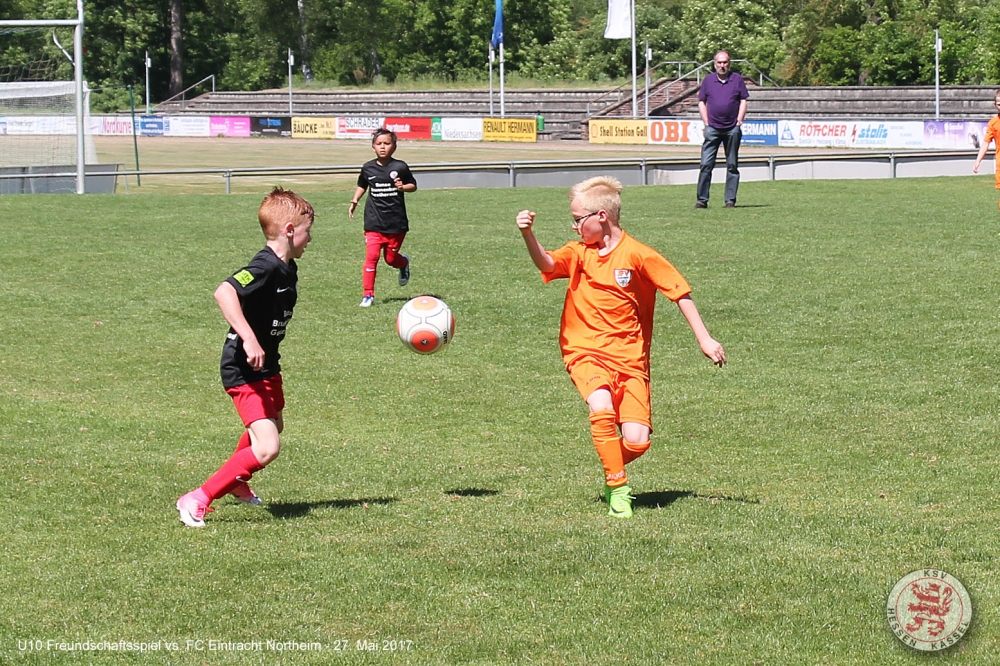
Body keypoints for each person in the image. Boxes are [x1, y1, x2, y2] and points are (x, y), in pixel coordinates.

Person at [516, 176, 726, 519]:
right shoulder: (578, 253)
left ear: (601, 216)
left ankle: (611, 461)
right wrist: (528, 234)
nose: (574, 226)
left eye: (577, 219)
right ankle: (618, 488)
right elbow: (547, 264)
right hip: (584, 350)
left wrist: (705, 338)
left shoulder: (639, 254)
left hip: (630, 361)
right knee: (600, 406)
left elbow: (680, 292)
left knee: (637, 441)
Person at [176, 187, 315, 528]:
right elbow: (224, 291)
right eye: (308, 231)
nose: (311, 238)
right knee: (267, 447)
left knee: (274, 425)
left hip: (267, 366)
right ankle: (197, 498)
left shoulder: (288, 267)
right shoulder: (265, 265)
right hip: (244, 368)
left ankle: (236, 481)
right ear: (289, 230)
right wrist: (250, 338)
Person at [349, 128, 417, 307]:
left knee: (391, 259)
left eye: (387, 143)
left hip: (396, 223)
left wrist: (403, 187)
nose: (382, 147)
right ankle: (368, 295)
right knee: (371, 257)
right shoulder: (368, 168)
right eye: (379, 144)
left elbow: (413, 185)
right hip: (373, 222)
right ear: (373, 146)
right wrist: (355, 200)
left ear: (394, 146)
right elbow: (362, 185)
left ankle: (403, 263)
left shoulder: (400, 167)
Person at [696, 50, 749, 209]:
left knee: (732, 165)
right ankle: (702, 200)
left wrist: (739, 121)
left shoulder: (737, 79)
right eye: (719, 62)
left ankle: (730, 200)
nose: (722, 65)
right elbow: (701, 101)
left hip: (732, 129)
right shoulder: (708, 80)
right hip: (712, 128)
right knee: (706, 164)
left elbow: (743, 100)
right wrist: (706, 122)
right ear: (715, 64)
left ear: (729, 63)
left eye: (725, 62)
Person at [972, 89, 1000, 209]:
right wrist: (978, 161)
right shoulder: (993, 123)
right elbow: (985, 143)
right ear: (995, 104)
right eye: (999, 104)